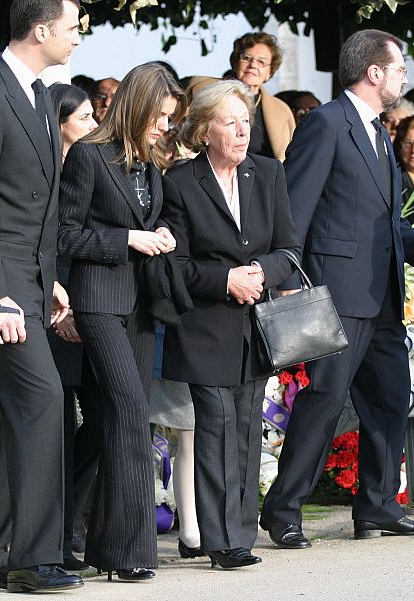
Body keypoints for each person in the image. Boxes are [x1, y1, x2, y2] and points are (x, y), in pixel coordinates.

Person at [259, 29, 414, 549]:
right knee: (324, 401)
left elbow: (383, 219)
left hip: (383, 295)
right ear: (373, 73)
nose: (404, 78)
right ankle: (282, 510)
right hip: (336, 294)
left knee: (391, 399)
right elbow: (294, 211)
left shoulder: (377, 131)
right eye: (398, 70)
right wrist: (286, 282)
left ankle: (376, 506)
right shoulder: (327, 124)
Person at [0, 0, 84, 593]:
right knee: (44, 401)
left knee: (8, 416)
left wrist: (46, 277)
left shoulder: (41, 95)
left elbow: (34, 204)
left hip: (27, 280)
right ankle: (35, 556)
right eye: (74, 26)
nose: (79, 36)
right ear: (41, 29)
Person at [160, 80, 299, 569]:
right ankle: (219, 541)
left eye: (246, 122)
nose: (242, 132)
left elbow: (289, 249)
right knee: (216, 426)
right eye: (229, 122)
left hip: (255, 329)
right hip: (203, 328)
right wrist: (226, 280)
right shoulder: (179, 181)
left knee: (244, 429)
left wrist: (262, 272)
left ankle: (240, 534)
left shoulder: (268, 173)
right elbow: (173, 263)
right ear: (203, 130)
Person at [57, 62, 186, 582]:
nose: (164, 127)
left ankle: (106, 547)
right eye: (159, 116)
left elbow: (158, 217)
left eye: (170, 119)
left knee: (123, 418)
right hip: (97, 299)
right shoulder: (89, 157)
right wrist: (127, 240)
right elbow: (63, 235)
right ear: (136, 108)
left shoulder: (149, 165)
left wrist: (163, 233)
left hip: (139, 301)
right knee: (130, 411)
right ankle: (131, 551)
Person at [47, 80, 99, 569]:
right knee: (59, 432)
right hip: (57, 313)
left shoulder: (93, 161)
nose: (93, 126)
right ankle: (60, 539)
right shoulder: (45, 170)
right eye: (83, 118)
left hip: (93, 309)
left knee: (104, 422)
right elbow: (53, 244)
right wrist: (63, 310)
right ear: (60, 124)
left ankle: (72, 523)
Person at [229, 32, 295, 161]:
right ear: (236, 63)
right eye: (246, 58)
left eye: (261, 62)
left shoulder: (281, 111)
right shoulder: (210, 94)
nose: (253, 65)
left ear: (269, 72)